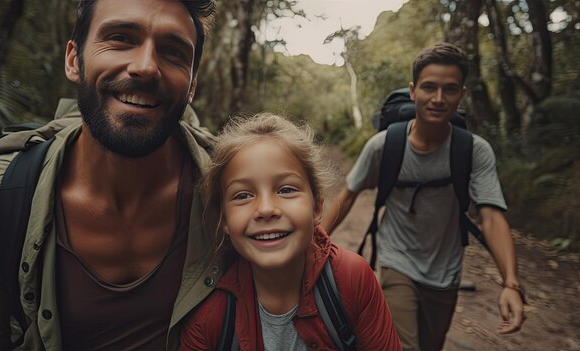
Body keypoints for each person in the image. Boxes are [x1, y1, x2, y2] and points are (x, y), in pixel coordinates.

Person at [0, 0, 220, 349]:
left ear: (192, 84)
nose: (145, 67)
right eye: (121, 38)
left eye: (173, 52)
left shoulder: (236, 192)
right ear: (74, 59)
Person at [322, 43, 525, 351]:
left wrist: (510, 283)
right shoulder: (383, 146)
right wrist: (314, 244)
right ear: (413, 90)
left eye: (450, 89)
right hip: (396, 260)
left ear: (462, 94)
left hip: (446, 271)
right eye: (429, 87)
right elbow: (347, 196)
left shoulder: (474, 150)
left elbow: (491, 216)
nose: (439, 99)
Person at [180, 113, 402, 350]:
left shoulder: (352, 280)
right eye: (243, 195)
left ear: (317, 207)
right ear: (223, 219)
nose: (266, 209)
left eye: (286, 189)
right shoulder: (210, 318)